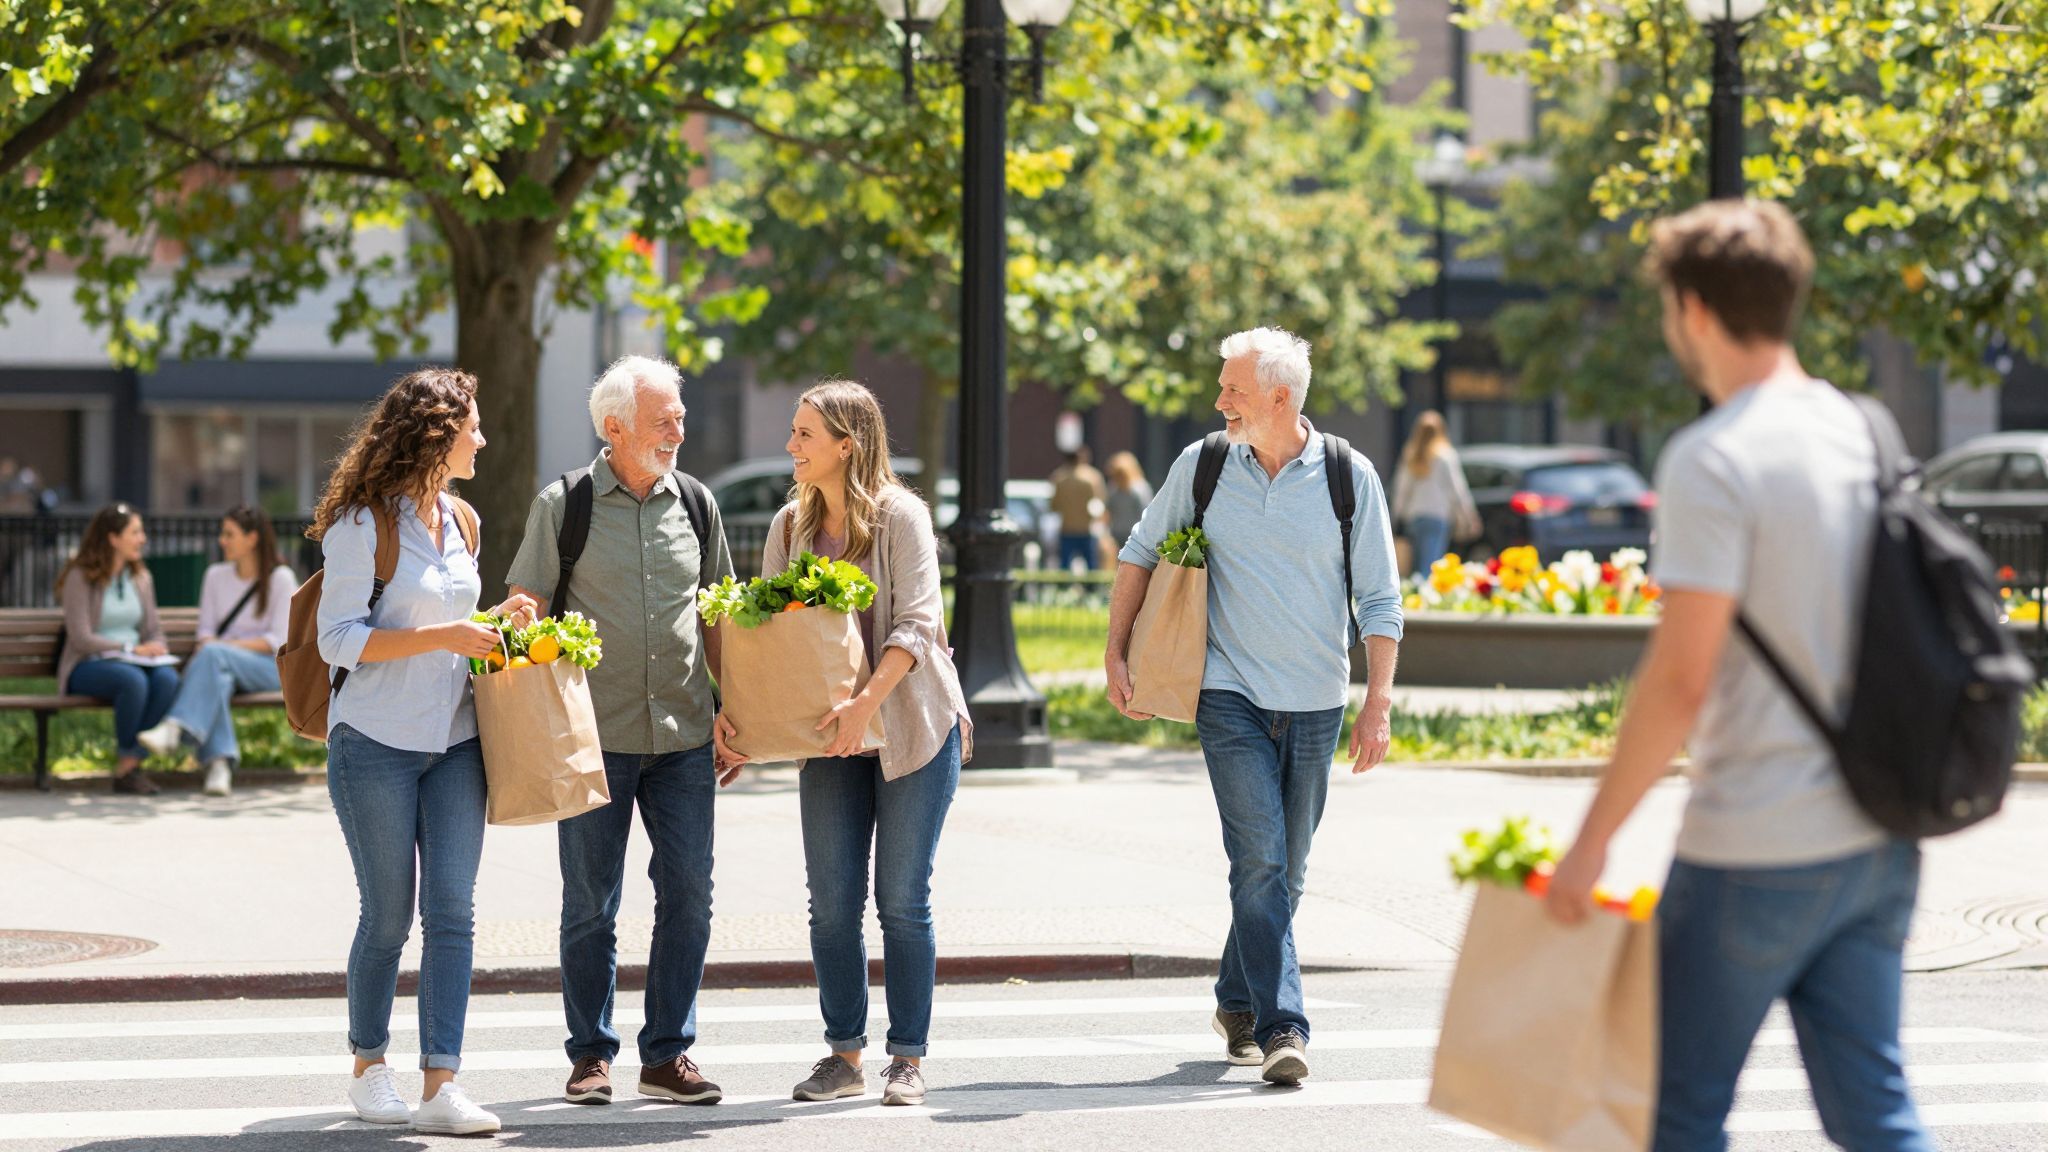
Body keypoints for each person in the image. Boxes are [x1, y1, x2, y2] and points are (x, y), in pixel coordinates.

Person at [1543, 200, 1931, 1152]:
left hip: (1755, 846)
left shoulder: (1712, 458)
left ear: (1694, 311)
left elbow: (1681, 679)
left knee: (1672, 1115)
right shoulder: (1864, 429)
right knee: (1875, 1114)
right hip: (1879, 838)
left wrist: (1590, 845)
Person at [1105, 327, 1403, 1087]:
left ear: (1280, 397)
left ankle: (1237, 998)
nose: (1219, 401)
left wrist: (1378, 705)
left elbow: (1379, 598)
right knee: (1261, 858)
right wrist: (1116, 649)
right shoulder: (1203, 464)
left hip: (1316, 701)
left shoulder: (1347, 475)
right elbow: (1141, 549)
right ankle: (1283, 1028)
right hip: (1227, 692)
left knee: (1288, 870)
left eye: (1232, 389)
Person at [720, 379, 972, 1108]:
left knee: (901, 899)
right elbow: (770, 639)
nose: (791, 445)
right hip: (830, 740)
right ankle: (843, 1055)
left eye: (804, 434)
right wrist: (745, 727)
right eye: (794, 432)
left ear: (845, 446)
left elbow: (919, 624)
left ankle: (907, 1058)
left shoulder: (902, 517)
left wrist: (866, 704)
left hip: (912, 731)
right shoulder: (789, 526)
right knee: (830, 904)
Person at [505, 356, 736, 1108]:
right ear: (615, 427)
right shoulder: (564, 504)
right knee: (589, 903)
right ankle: (590, 1055)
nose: (679, 429)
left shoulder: (697, 504)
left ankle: (667, 1055)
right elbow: (526, 602)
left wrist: (734, 706)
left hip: (684, 736)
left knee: (690, 896)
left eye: (679, 416)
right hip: (591, 739)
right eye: (662, 418)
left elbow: (717, 613)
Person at [312, 367, 537, 1136]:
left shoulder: (463, 520)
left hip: (457, 741)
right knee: (388, 914)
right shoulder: (361, 524)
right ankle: (368, 1066)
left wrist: (497, 617)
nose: (483, 437)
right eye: (471, 425)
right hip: (374, 741)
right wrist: (444, 632)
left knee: (452, 912)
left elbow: (452, 616)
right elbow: (336, 637)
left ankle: (442, 1082)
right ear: (438, 433)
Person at [137, 506, 298, 796]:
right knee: (218, 677)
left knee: (213, 656)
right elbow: (206, 632)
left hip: (270, 668)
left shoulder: (281, 578)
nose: (222, 541)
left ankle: (175, 728)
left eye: (229, 534)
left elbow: (278, 641)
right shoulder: (215, 575)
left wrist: (221, 648)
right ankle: (219, 765)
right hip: (223, 667)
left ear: (252, 539)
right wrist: (217, 648)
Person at [57, 503, 178, 795]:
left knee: (168, 679)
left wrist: (156, 647)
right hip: (87, 664)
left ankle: (128, 763)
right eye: (135, 532)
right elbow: (80, 637)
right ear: (113, 538)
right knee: (131, 680)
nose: (143, 539)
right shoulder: (80, 576)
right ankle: (130, 765)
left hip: (133, 661)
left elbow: (153, 629)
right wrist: (129, 648)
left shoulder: (141, 578)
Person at [1390, 410, 1479, 579]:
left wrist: (1396, 517)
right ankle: (1425, 593)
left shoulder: (1411, 455)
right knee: (1431, 562)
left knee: (1417, 561)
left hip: (1415, 515)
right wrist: (1470, 516)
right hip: (1438, 515)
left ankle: (1417, 590)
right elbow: (1458, 490)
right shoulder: (1445, 456)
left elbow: (1401, 490)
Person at [1049, 445, 1108, 572]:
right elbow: (1100, 503)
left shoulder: (1059, 478)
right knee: (1092, 566)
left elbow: (1053, 506)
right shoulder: (1092, 477)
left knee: (1064, 567)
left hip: (1066, 528)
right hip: (1087, 528)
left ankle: (1063, 591)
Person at [1104, 450, 1153, 552]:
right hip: (1117, 532)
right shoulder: (1113, 489)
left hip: (1135, 534)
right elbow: (1108, 510)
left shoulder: (1139, 489)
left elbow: (1146, 513)